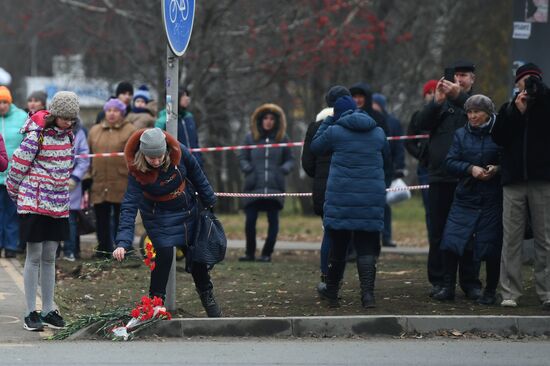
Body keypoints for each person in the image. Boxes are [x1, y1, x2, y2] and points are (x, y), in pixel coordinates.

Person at [113, 128, 221, 317]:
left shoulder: (180, 151)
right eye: (151, 158)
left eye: (159, 157)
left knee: (197, 257)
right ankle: (155, 303)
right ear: (143, 155)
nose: (155, 161)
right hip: (157, 215)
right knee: (163, 255)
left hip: (186, 209)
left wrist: (209, 199)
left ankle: (207, 295)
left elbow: (196, 173)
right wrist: (122, 241)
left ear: (166, 151)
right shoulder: (136, 170)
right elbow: (129, 204)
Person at [6, 91, 79, 331]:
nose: (69, 122)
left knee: (50, 257)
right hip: (34, 202)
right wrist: (18, 195)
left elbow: (67, 167)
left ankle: (48, 309)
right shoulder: (36, 135)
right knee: (34, 256)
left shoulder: (69, 136)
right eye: (65, 118)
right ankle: (30, 312)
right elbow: (17, 166)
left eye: (72, 119)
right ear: (55, 114)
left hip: (57, 204)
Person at [310, 95, 390, 308]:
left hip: (341, 198)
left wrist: (328, 120)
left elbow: (315, 147)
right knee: (366, 247)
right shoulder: (378, 132)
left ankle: (332, 292)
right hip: (370, 198)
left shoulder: (335, 131)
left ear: (336, 114)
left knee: (339, 247)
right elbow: (388, 162)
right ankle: (368, 296)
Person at [416, 60, 482, 299]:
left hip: (468, 177)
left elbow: (486, 120)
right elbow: (420, 124)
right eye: (456, 75)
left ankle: (470, 282)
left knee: (469, 232)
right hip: (439, 177)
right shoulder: (440, 103)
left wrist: (459, 97)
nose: (459, 79)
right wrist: (437, 103)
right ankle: (441, 282)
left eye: (464, 75)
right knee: (438, 231)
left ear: (472, 79)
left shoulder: (476, 104)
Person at [491, 63, 550, 309]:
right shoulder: (509, 109)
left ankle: (546, 292)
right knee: (511, 238)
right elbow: (499, 138)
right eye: (524, 81)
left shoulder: (547, 106)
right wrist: (517, 111)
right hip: (513, 180)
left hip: (542, 180)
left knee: (545, 238)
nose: (528, 85)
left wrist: (542, 99)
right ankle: (509, 292)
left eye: (533, 80)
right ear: (517, 84)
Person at [434, 95, 502, 304]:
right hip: (465, 195)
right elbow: (450, 162)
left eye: (477, 112)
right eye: (469, 112)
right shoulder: (460, 135)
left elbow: (509, 157)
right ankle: (447, 288)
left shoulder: (500, 133)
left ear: (488, 113)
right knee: (451, 241)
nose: (472, 116)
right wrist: (470, 169)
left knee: (490, 245)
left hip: (491, 197)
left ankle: (489, 291)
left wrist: (497, 169)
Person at [302, 85, 350, 293]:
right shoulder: (351, 125)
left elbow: (307, 163)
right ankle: (337, 278)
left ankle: (326, 278)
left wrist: (321, 178)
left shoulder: (315, 126)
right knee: (347, 236)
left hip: (324, 189)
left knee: (329, 234)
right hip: (348, 187)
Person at [238, 103, 295, 263]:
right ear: (260, 120)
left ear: (276, 121)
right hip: (253, 186)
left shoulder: (283, 139)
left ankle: (266, 253)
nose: (268, 121)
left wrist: (283, 170)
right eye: (265, 118)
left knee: (273, 221)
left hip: (274, 187)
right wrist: (247, 168)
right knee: (250, 221)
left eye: (271, 119)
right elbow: (242, 156)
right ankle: (249, 253)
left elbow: (290, 159)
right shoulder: (250, 138)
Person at [88, 98, 136, 257]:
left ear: (122, 113)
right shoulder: (95, 130)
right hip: (99, 182)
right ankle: (103, 248)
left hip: (121, 182)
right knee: (101, 219)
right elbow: (88, 155)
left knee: (121, 218)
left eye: (115, 110)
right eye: (109, 110)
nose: (112, 113)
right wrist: (87, 176)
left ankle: (123, 249)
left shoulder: (130, 130)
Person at [405, 80, 438, 235]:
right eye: (429, 93)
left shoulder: (446, 114)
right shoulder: (418, 116)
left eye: (434, 92)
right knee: (430, 210)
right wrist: (421, 155)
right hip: (425, 169)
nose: (431, 96)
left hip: (444, 167)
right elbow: (409, 142)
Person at [372, 93, 406, 248]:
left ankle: (386, 236)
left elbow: (399, 147)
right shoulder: (368, 119)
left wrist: (399, 167)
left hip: (387, 169)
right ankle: (371, 236)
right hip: (371, 168)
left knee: (384, 204)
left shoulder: (393, 122)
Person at [0, 86, 27, 258]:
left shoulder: (21, 118)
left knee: (11, 213)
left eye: (4, 102)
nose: (1, 105)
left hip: (14, 176)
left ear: (10, 102)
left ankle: (11, 245)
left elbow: (27, 144)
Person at [62, 117, 90, 261]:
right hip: (52, 181)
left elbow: (84, 158)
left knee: (71, 219)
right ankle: (53, 252)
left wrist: (75, 178)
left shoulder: (79, 133)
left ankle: (70, 250)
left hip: (72, 183)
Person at [156, 87, 203, 166]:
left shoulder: (189, 117)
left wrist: (200, 161)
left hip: (195, 165)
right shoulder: (163, 121)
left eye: (187, 95)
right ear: (175, 98)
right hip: (177, 167)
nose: (187, 98)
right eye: (184, 95)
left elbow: (195, 142)